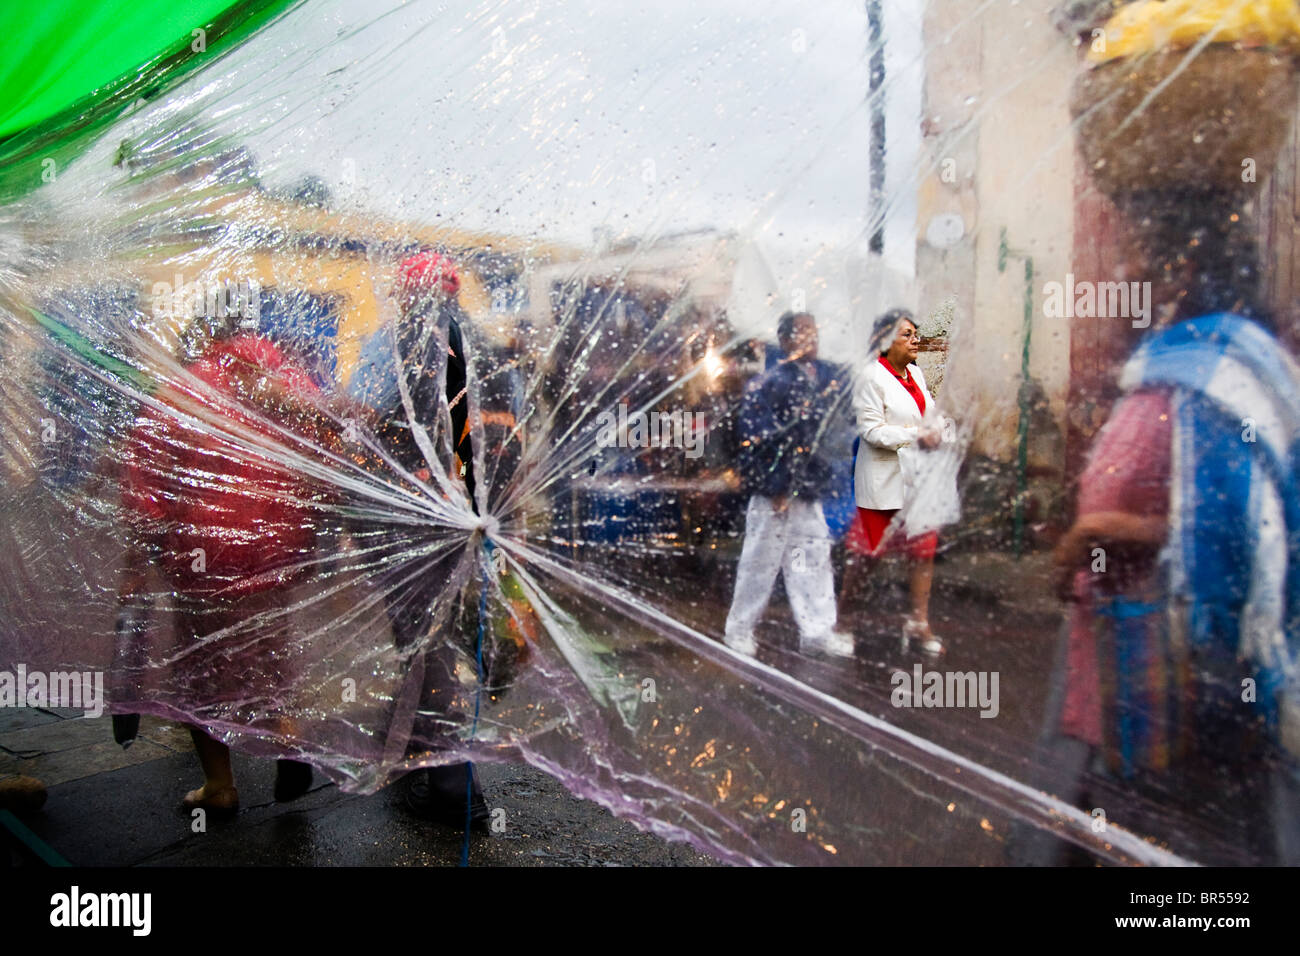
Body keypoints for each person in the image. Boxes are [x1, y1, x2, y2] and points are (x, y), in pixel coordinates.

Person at [1051, 187, 1300, 864]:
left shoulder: (1214, 377)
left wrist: (1092, 534)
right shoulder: (1188, 366)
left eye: (1136, 254)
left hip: (1178, 682)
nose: (1123, 272)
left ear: (1181, 266)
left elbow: (1235, 534)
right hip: (1126, 664)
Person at [119, 309, 339, 813]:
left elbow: (145, 479)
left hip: (203, 555)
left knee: (201, 666)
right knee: (270, 654)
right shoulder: (292, 383)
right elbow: (326, 458)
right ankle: (289, 739)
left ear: (205, 337)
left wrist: (138, 558)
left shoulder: (184, 390)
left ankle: (219, 786)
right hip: (274, 549)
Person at [355, 250, 490, 828]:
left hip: (403, 517)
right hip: (458, 515)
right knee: (428, 636)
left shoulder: (393, 347)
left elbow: (364, 412)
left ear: (409, 295)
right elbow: (492, 433)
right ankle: (406, 747)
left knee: (425, 639)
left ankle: (454, 788)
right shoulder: (477, 345)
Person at [723, 311, 854, 658]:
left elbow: (821, 437)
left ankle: (817, 628)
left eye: (814, 333)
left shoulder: (819, 379)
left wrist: (812, 482)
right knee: (760, 562)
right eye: (802, 334)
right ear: (784, 341)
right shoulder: (772, 383)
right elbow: (760, 439)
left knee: (813, 557)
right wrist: (777, 486)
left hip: (806, 489)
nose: (811, 341)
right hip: (776, 493)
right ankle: (740, 629)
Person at [841, 309, 952, 656]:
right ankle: (844, 619)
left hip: (919, 481)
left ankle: (918, 621)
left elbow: (936, 417)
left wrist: (939, 432)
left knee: (922, 551)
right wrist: (916, 435)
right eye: (905, 334)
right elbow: (869, 430)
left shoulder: (917, 378)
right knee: (867, 553)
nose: (914, 340)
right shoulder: (869, 378)